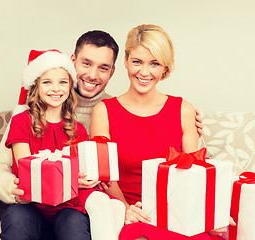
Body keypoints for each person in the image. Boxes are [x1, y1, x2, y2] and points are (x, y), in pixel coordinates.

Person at [0, 30, 204, 240]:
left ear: (113, 71)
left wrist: (194, 130)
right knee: (21, 220)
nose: (92, 75)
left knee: (77, 221)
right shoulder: (28, 113)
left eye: (103, 68)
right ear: (72, 61)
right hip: (31, 206)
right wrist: (17, 190)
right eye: (86, 63)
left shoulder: (107, 109)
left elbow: (182, 158)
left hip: (74, 210)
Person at [90, 24, 230, 240]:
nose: (144, 72)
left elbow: (194, 177)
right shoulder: (104, 112)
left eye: (154, 64)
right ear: (126, 61)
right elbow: (105, 179)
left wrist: (209, 217)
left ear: (165, 68)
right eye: (137, 62)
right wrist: (126, 209)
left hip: (178, 217)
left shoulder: (184, 110)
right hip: (134, 215)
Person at [1, 49, 125, 240]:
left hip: (66, 207)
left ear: (70, 86)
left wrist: (93, 178)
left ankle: (110, 210)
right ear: (35, 86)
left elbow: (81, 173)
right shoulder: (21, 122)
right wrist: (69, 181)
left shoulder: (77, 129)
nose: (56, 89)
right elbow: (29, 171)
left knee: (75, 222)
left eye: (63, 82)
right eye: (47, 82)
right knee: (16, 218)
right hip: (31, 205)